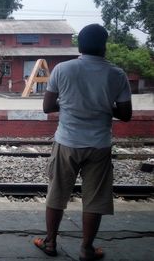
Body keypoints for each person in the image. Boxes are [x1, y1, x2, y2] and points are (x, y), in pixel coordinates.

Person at [33, 24, 132, 261]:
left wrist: (69, 104)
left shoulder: (63, 69)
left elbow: (47, 107)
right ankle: (87, 249)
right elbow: (126, 114)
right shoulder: (116, 74)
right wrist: (103, 106)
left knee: (57, 193)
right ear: (104, 46)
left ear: (80, 45)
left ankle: (50, 243)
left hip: (67, 142)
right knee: (95, 199)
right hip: (99, 145)